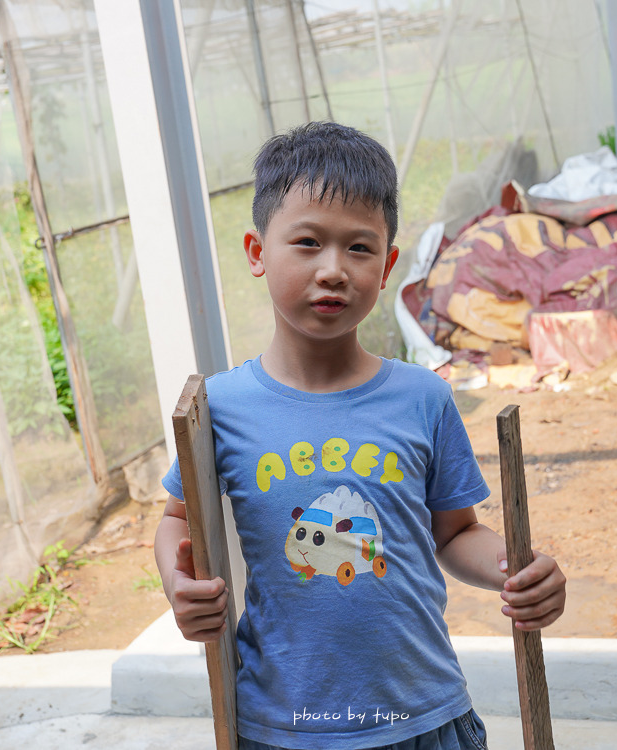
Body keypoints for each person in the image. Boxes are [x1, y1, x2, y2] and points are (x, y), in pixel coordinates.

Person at [155, 121, 567, 750]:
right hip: (282, 725)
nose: (334, 270)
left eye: (359, 248)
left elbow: (454, 532)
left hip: (422, 717)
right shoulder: (220, 409)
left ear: (388, 265)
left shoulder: (422, 398)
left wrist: (518, 571)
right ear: (257, 251)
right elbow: (176, 520)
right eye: (309, 242)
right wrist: (179, 583)